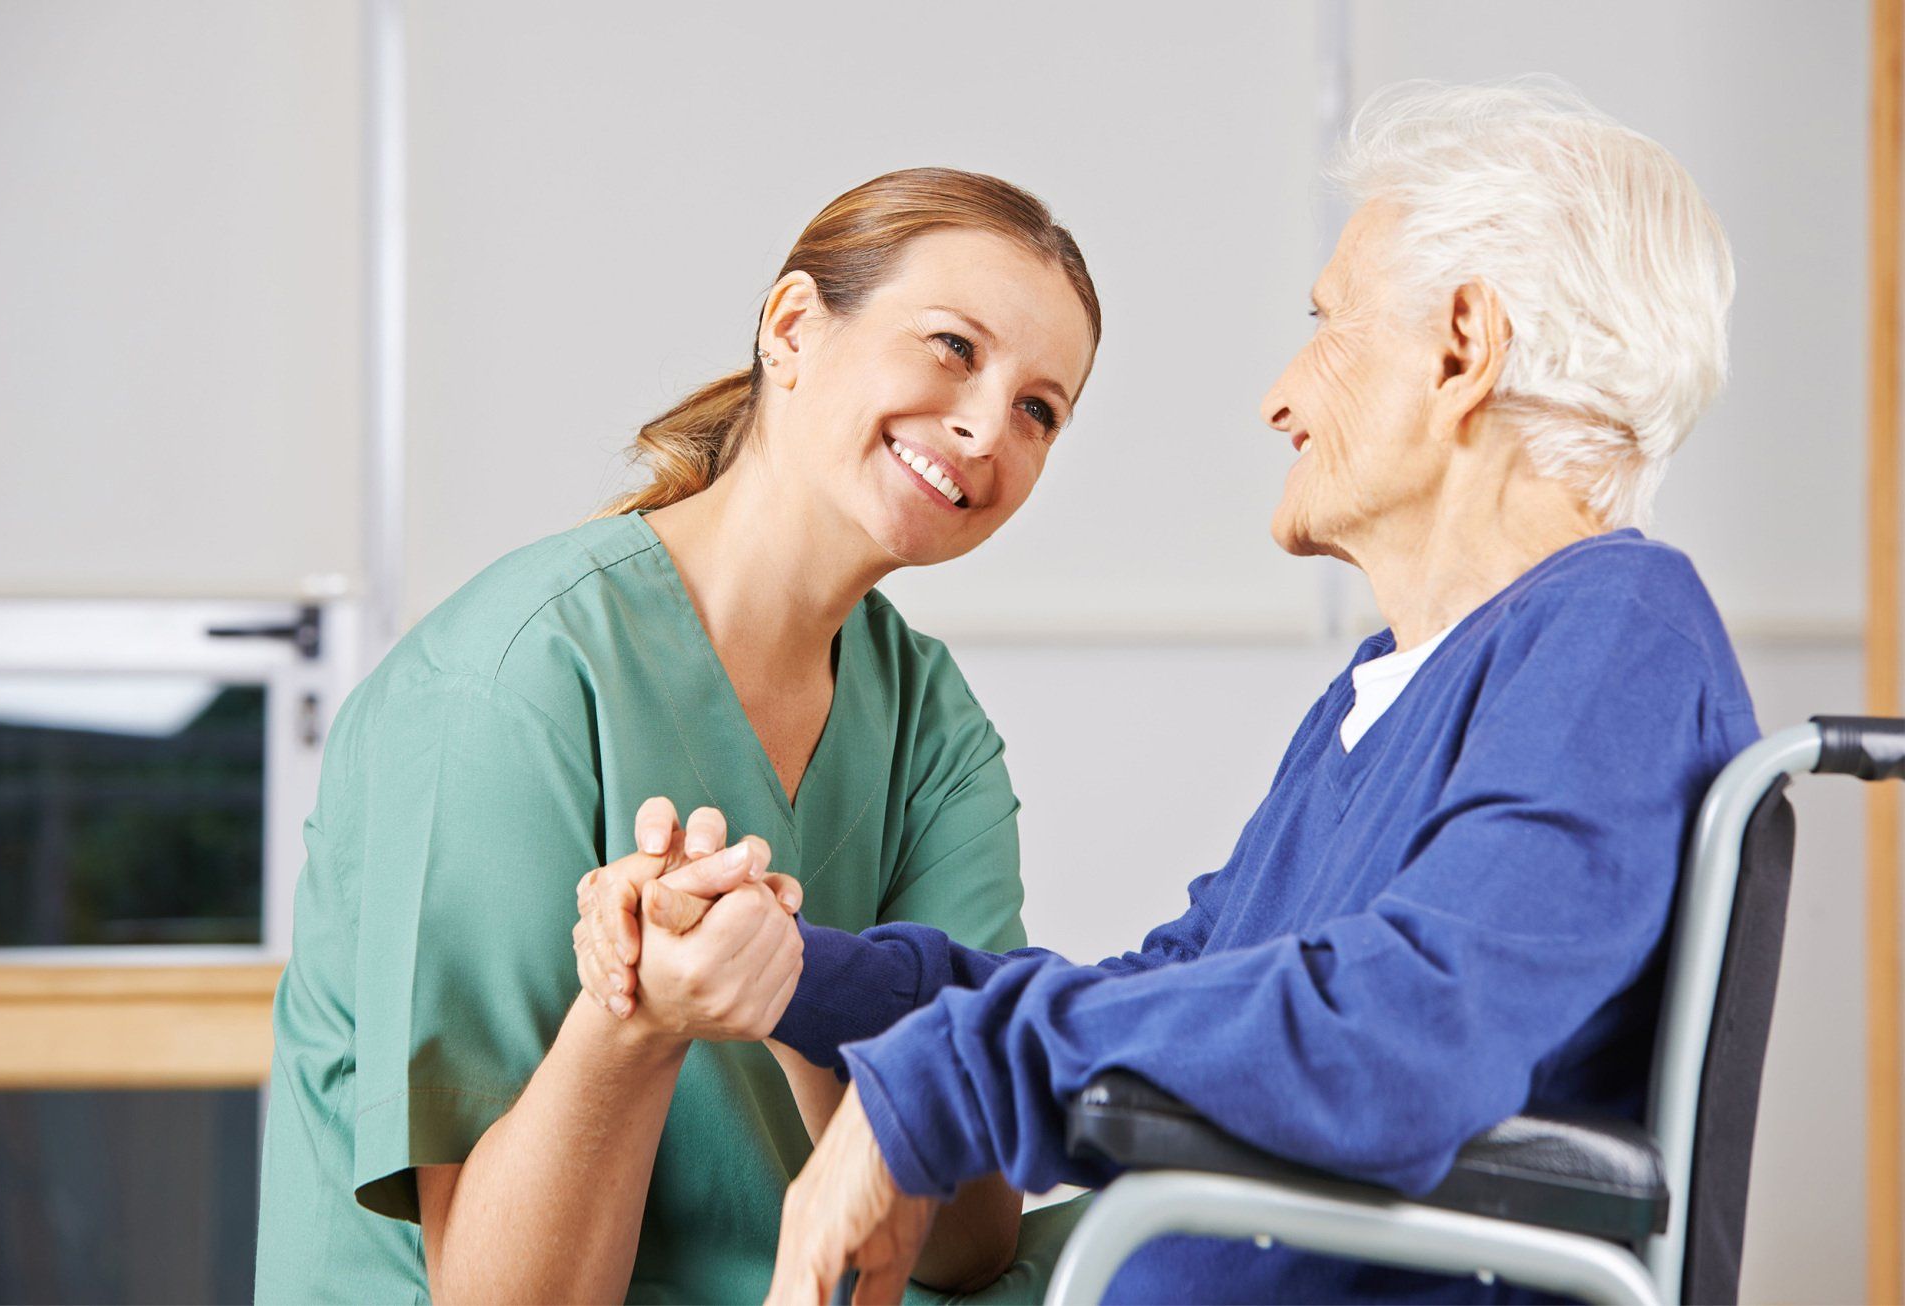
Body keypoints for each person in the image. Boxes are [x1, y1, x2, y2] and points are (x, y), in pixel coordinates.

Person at [576, 80, 1756, 1304]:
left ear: (1463, 346)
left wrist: (938, 1089)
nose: (1280, 397)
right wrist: (800, 972)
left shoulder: (1618, 636)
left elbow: (1408, 1033)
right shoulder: (1400, 685)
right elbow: (1178, 987)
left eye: (1328, 322)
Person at [253, 167, 1100, 1304]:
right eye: (953, 347)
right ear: (793, 327)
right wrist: (641, 1018)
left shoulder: (931, 725)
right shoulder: (509, 683)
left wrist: (810, 992)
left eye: (1040, 408)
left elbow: (965, 1244)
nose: (986, 424)